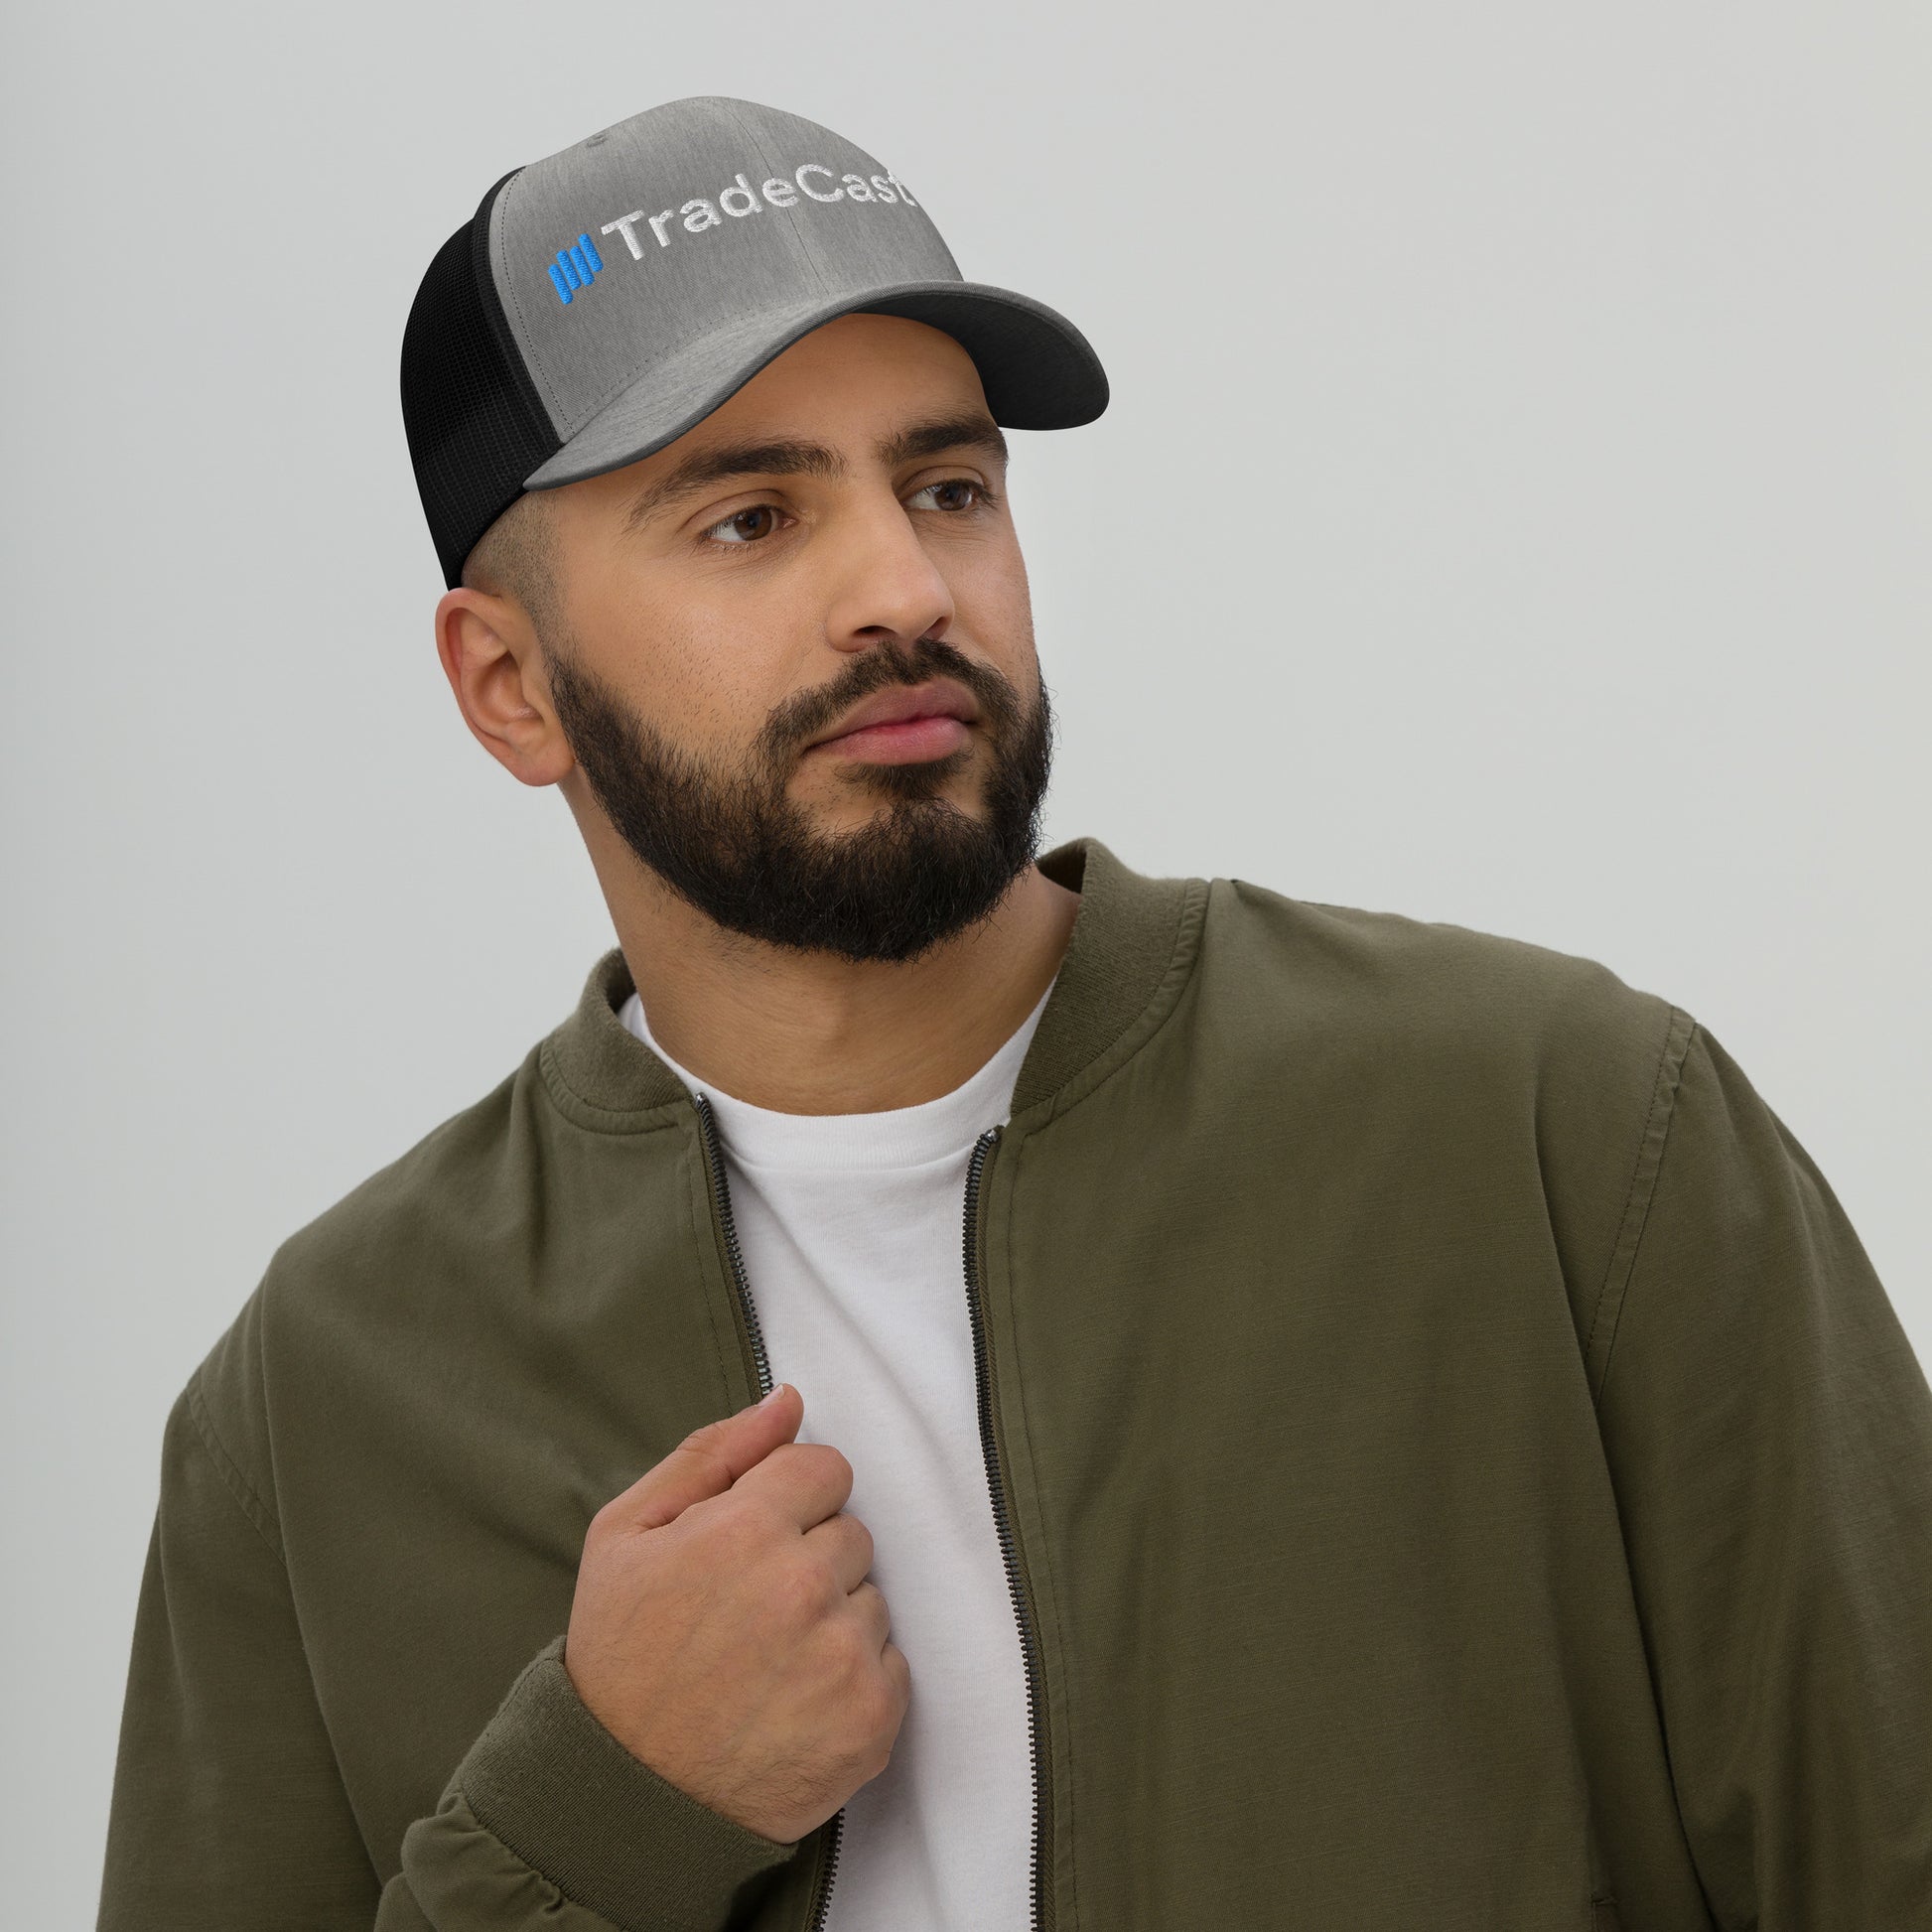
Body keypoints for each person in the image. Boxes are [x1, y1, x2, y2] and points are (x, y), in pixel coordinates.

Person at [96, 94, 1931, 1932]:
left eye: (948, 486)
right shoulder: (322, 1406)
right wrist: (593, 1816)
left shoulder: (1564, 1142)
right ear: (508, 686)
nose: (903, 589)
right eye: (750, 518)